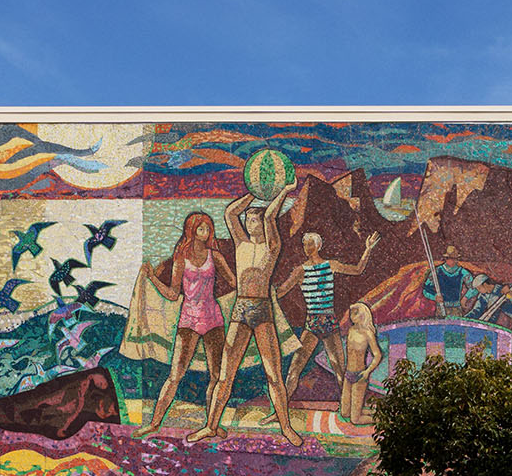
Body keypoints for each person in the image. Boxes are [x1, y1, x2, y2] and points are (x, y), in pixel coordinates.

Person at [196, 184, 304, 445]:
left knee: (273, 374)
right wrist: (254, 191)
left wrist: (283, 191)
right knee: (225, 374)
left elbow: (269, 217)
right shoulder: (240, 244)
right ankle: (211, 425)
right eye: (247, 220)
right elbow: (230, 213)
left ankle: (286, 426)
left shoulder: (272, 246)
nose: (247, 222)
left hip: (263, 310)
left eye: (251, 219)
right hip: (241, 308)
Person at [138, 211, 234, 435]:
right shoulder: (180, 258)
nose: (206, 232)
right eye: (201, 228)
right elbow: (173, 294)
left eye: (208, 228)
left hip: (213, 319)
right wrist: (152, 277)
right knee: (175, 375)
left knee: (217, 376)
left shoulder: (215, 256)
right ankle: (154, 424)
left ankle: (212, 424)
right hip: (189, 321)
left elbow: (233, 281)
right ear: (191, 230)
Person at [278, 229, 379, 394]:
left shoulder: (330, 265)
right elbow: (281, 291)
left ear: (318, 246)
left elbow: (357, 269)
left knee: (339, 368)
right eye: (304, 244)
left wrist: (367, 249)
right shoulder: (300, 271)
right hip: (312, 322)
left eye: (310, 244)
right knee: (295, 368)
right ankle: (280, 408)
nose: (307, 247)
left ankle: (346, 407)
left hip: (329, 321)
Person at [338, 302, 384, 425]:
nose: (351, 316)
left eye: (354, 313)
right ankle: (365, 411)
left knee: (355, 420)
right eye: (351, 313)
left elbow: (378, 355)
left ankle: (382, 419)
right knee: (344, 413)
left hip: (360, 375)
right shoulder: (351, 330)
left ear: (362, 315)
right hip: (348, 373)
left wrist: (367, 371)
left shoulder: (368, 333)